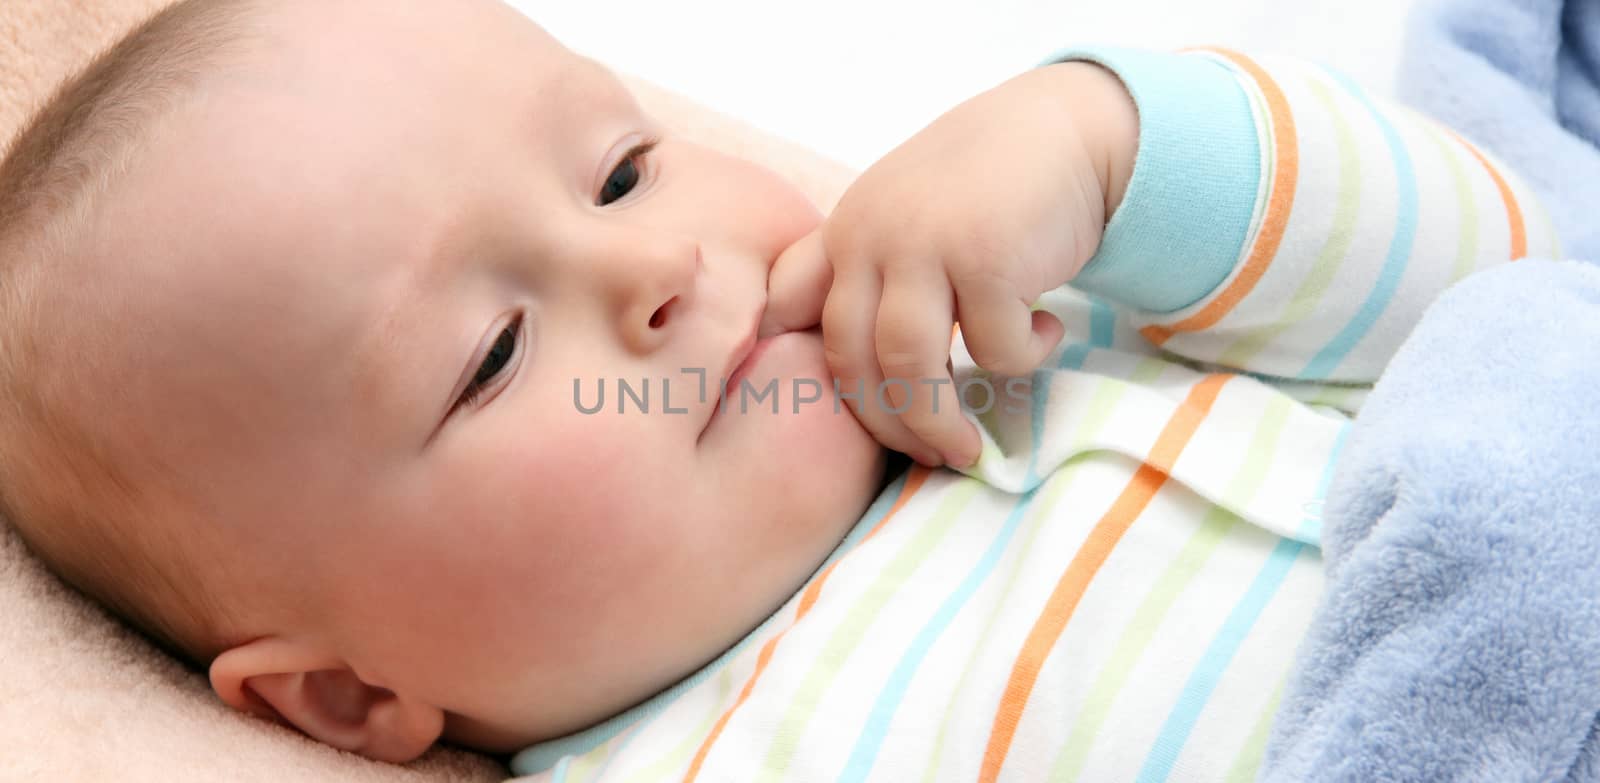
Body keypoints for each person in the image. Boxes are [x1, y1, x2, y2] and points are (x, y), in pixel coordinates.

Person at [0, 0, 1554, 777]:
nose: (655, 268)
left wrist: (1106, 151)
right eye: (491, 357)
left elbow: (1506, 267)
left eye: (620, 172)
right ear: (348, 700)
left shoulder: (1015, 306)